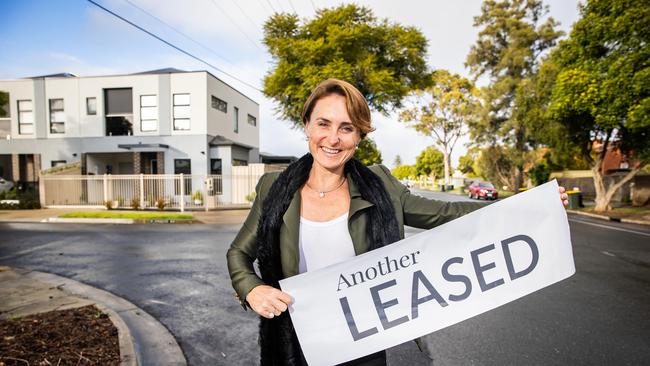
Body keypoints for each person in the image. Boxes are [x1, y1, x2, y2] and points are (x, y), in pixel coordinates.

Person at [226, 78, 570, 366]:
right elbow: (239, 254)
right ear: (307, 126)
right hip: (292, 344)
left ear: (359, 136)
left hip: (363, 342)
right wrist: (252, 289)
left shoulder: (380, 185)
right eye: (323, 124)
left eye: (346, 128)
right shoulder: (274, 187)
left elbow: (446, 214)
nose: (333, 139)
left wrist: (528, 205)